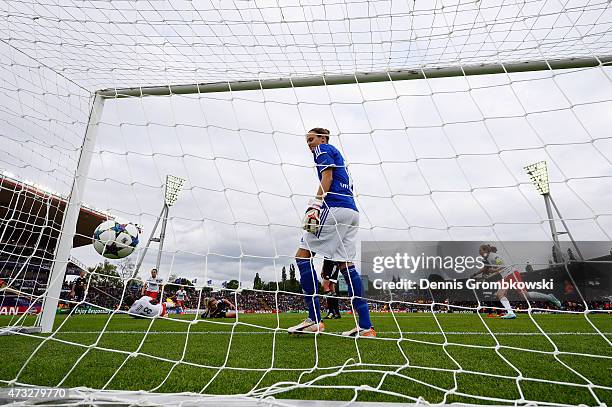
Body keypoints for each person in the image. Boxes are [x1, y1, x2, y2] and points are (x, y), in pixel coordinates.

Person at [288, 127, 375, 337]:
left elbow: (326, 177)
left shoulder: (323, 149)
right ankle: (365, 326)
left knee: (302, 256)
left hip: (334, 208)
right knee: (346, 265)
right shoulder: (342, 159)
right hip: (351, 211)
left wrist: (316, 204)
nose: (309, 144)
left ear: (323, 138)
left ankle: (314, 319)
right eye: (307, 141)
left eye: (312, 139)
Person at [472, 244, 562, 319]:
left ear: (485, 250)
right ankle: (510, 313)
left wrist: (489, 274)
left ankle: (550, 297)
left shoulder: (494, 256)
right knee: (500, 294)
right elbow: (486, 268)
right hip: (506, 276)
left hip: (512, 274)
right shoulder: (488, 257)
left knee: (525, 295)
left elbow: (501, 267)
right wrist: (476, 274)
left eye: (480, 250)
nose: (479, 252)